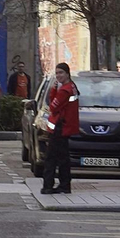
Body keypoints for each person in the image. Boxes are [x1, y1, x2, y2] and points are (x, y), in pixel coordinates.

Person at [40, 62, 79, 195]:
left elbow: (53, 106)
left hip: (59, 127)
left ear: (67, 73)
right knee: (63, 158)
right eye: (56, 73)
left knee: (51, 158)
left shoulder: (64, 90)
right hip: (65, 127)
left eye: (61, 73)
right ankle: (64, 185)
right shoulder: (72, 87)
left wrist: (54, 90)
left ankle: (48, 186)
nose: (58, 76)